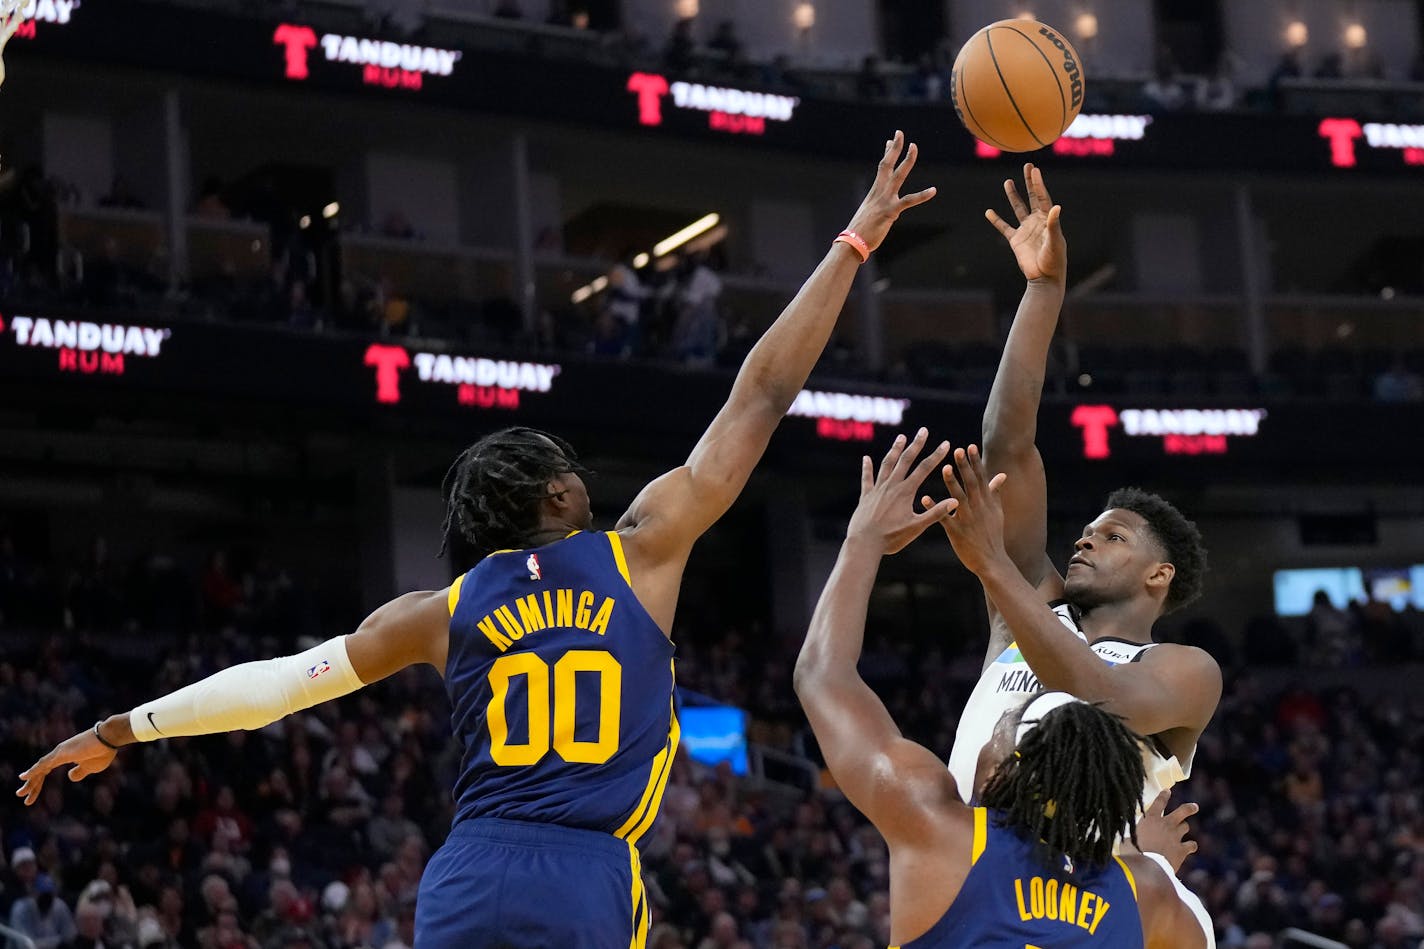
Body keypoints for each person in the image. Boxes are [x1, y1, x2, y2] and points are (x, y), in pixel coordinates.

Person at [16, 132, 937, 949]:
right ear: (556, 492)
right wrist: (853, 244)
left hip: (465, 874)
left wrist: (117, 728)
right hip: (585, 874)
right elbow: (761, 395)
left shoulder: (440, 613)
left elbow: (269, 691)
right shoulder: (643, 546)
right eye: (570, 468)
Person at [794, 431, 1210, 947]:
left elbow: (822, 673)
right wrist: (1149, 866)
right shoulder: (1147, 898)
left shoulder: (936, 827)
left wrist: (864, 539)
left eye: (1008, 725)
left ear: (1004, 767)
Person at [943, 164, 1221, 811]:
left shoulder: (1184, 669)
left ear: (1159, 575)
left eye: (1113, 535)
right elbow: (1007, 444)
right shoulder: (1030, 602)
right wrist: (1044, 290)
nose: (1084, 540)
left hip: (1075, 903)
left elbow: (1102, 695)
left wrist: (993, 569)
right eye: (1090, 530)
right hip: (968, 880)